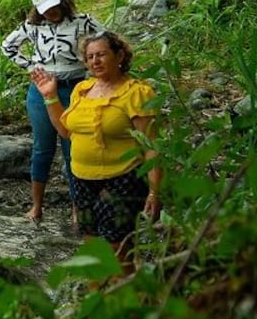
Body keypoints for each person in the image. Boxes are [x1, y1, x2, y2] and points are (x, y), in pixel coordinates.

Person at [31, 31, 160, 268]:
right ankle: (95, 299)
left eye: (101, 55)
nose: (95, 62)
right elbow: (66, 131)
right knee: (91, 250)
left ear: (119, 55)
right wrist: (50, 96)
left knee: (118, 253)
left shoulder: (136, 93)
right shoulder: (82, 89)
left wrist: (154, 192)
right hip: (82, 181)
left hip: (122, 181)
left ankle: (125, 300)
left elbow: (151, 147)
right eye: (90, 57)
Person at [1, 0, 105, 223]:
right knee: (42, 148)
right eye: (45, 9)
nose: (51, 12)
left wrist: (93, 68)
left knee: (73, 148)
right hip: (41, 91)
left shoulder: (83, 21)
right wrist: (30, 67)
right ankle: (36, 206)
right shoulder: (32, 26)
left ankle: (77, 208)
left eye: (54, 6)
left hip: (76, 88)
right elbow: (7, 46)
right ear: (37, 9)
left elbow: (106, 44)